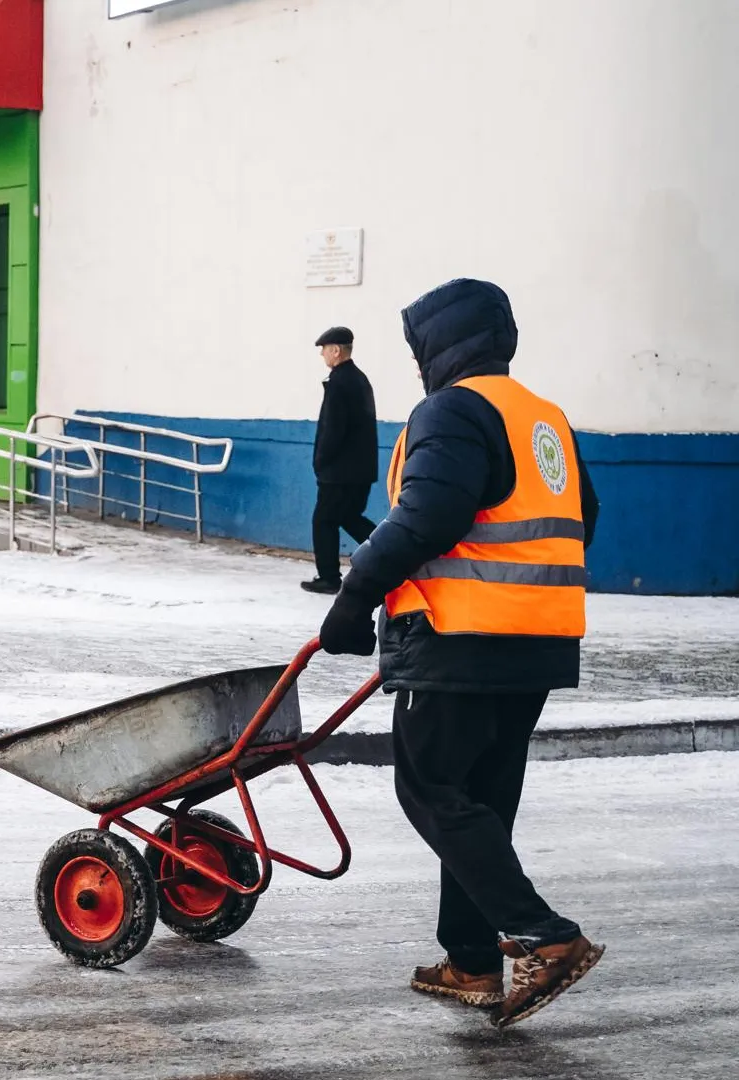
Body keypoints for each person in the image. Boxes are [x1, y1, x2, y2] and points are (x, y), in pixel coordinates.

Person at [319, 279, 603, 1028]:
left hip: (460, 638)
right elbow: (585, 518)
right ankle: (472, 960)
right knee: (481, 800)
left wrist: (355, 598)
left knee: (432, 789)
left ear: (439, 347)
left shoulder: (452, 410)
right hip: (538, 641)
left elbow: (429, 516)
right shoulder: (544, 419)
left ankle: (544, 937)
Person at [304, 326, 379, 593]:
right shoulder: (359, 379)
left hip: (340, 471)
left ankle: (329, 578)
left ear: (336, 350)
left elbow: (333, 429)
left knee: (323, 521)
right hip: (360, 470)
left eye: (324, 349)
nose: (323, 354)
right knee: (349, 516)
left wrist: (321, 461)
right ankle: (391, 554)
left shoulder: (339, 383)